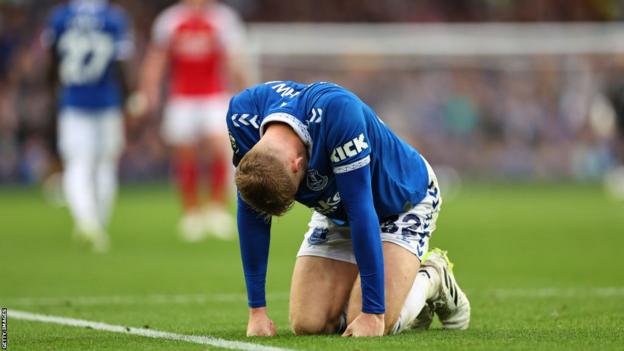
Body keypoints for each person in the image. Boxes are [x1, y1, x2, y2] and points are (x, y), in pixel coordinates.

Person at [228, 80, 471, 337]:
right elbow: (252, 208)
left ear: (297, 165)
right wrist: (257, 311)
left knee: (371, 320)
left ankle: (431, 277)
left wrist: (373, 313)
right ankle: (391, 284)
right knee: (309, 324)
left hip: (400, 201)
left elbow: (361, 210)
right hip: (336, 207)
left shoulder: (338, 111)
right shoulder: (242, 117)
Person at [140, 0, 251, 241]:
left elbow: (234, 60)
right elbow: (157, 58)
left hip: (213, 95)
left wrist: (246, 93)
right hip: (182, 98)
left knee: (218, 147)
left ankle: (216, 209)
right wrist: (149, 89)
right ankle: (191, 213)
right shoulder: (170, 20)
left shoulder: (223, 20)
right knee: (185, 153)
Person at [42, 0, 134, 252]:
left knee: (78, 165)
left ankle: (87, 222)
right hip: (107, 101)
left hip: (73, 101)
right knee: (105, 165)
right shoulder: (114, 18)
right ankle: (97, 225)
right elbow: (121, 63)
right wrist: (130, 96)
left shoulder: (60, 16)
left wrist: (54, 92)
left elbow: (51, 61)